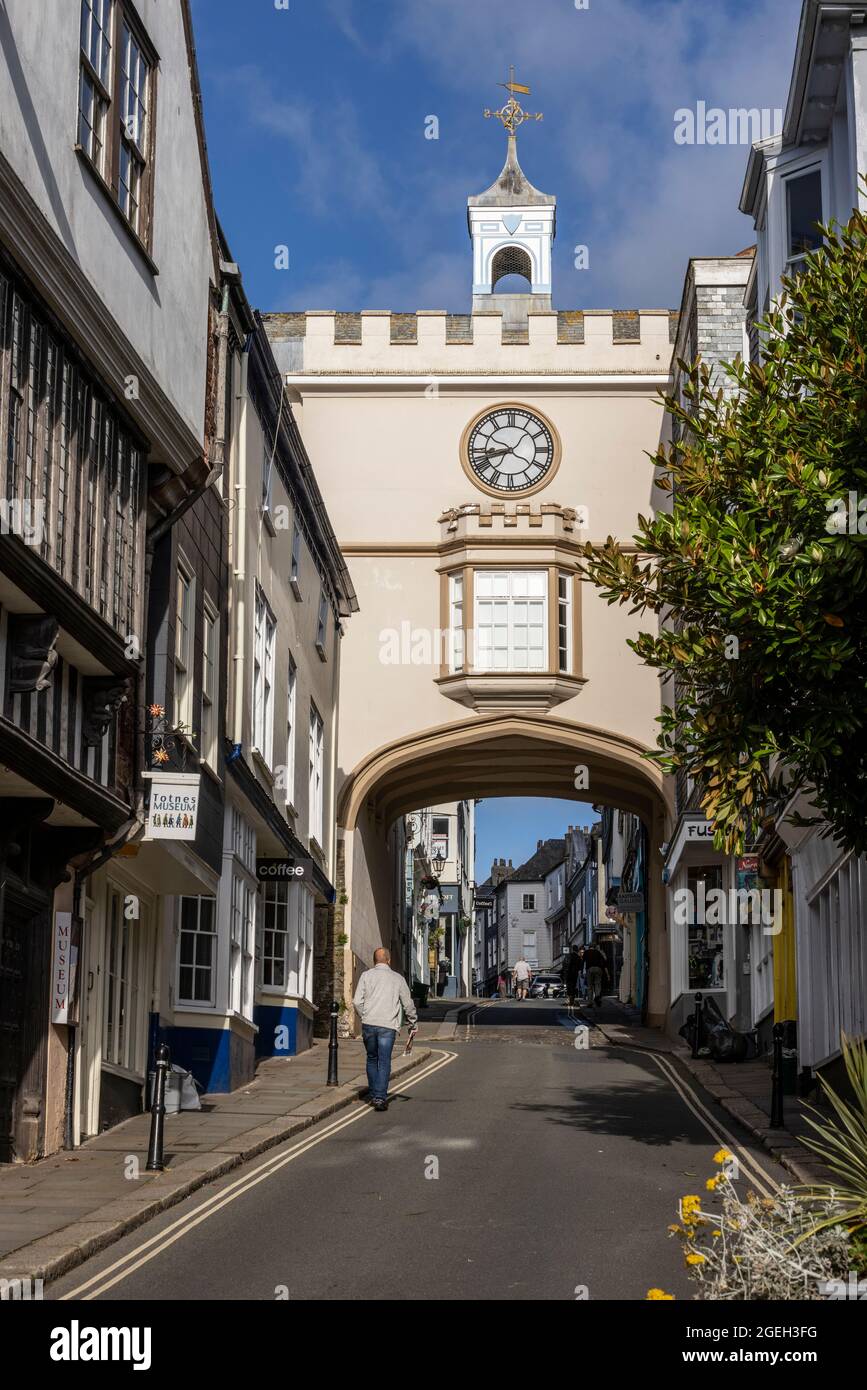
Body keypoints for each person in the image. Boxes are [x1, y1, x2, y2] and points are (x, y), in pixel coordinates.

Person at [353, 947, 418, 1111]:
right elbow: (408, 1004)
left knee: (372, 1059)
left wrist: (364, 1016)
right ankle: (380, 1098)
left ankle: (375, 1093)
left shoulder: (365, 976)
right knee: (384, 1061)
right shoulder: (398, 978)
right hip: (387, 1026)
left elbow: (356, 1002)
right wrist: (413, 1023)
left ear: (374, 961)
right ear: (389, 960)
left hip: (369, 1024)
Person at [584, 942, 608, 1007]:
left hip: (590, 969)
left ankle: (590, 1003)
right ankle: (597, 997)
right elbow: (603, 960)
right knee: (597, 984)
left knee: (590, 986)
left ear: (589, 947)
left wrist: (581, 971)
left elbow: (583, 961)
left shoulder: (586, 952)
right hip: (598, 969)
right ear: (594, 947)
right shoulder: (598, 952)